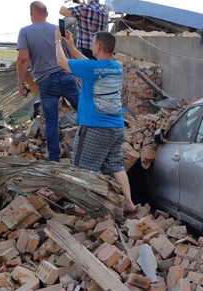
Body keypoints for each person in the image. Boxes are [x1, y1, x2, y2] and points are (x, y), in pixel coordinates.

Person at [55, 28, 139, 216]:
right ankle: (129, 204)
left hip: (95, 127)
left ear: (98, 46)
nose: (91, 46)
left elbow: (61, 62)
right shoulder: (116, 67)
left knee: (82, 167)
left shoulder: (92, 69)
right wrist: (71, 46)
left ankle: (82, 207)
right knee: (116, 165)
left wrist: (57, 42)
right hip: (116, 127)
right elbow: (89, 65)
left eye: (93, 43)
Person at [16, 1, 80, 162]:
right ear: (47, 14)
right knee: (85, 113)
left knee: (51, 121)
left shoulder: (25, 32)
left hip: (46, 82)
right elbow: (71, 53)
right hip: (66, 77)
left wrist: (20, 83)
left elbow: (23, 59)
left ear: (32, 13)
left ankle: (54, 159)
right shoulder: (58, 29)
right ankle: (93, 148)